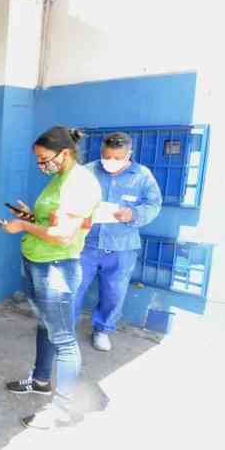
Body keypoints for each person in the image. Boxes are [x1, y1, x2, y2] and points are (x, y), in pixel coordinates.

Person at [0, 126, 101, 430]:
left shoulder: (79, 183)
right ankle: (41, 380)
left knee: (64, 339)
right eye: (38, 160)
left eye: (44, 159)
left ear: (64, 153)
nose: (41, 165)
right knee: (46, 325)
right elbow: (50, 222)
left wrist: (23, 227)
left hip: (56, 266)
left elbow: (62, 235)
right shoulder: (60, 179)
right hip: (39, 261)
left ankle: (65, 409)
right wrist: (30, 217)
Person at [75, 132, 162, 351]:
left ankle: (103, 330)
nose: (110, 162)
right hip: (86, 244)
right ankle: (63, 330)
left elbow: (154, 205)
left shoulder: (142, 176)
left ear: (129, 154)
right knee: (73, 288)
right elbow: (70, 199)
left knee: (114, 293)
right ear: (101, 152)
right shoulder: (87, 171)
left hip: (122, 247)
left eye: (117, 158)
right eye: (107, 156)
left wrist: (133, 214)